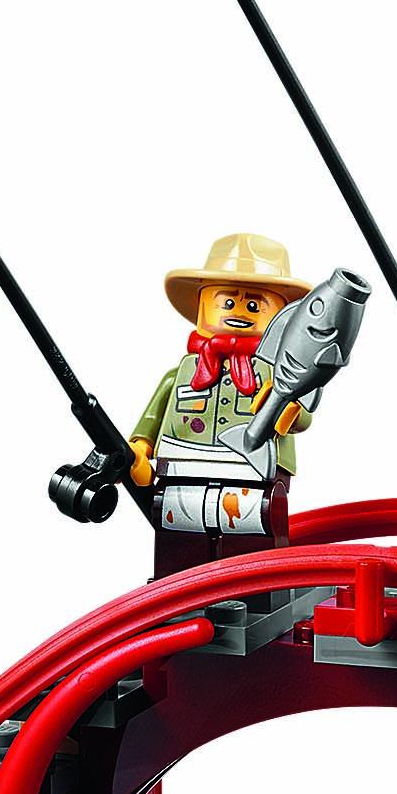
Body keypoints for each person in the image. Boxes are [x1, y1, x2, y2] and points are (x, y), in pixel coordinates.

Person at [130, 233, 313, 602]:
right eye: (227, 301)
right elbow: (153, 415)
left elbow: (303, 417)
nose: (238, 312)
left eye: (254, 305)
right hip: (181, 470)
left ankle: (257, 598)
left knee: (252, 537)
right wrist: (139, 449)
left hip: (253, 474)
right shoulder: (182, 374)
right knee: (178, 534)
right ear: (203, 307)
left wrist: (287, 408)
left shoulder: (279, 374)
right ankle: (175, 596)